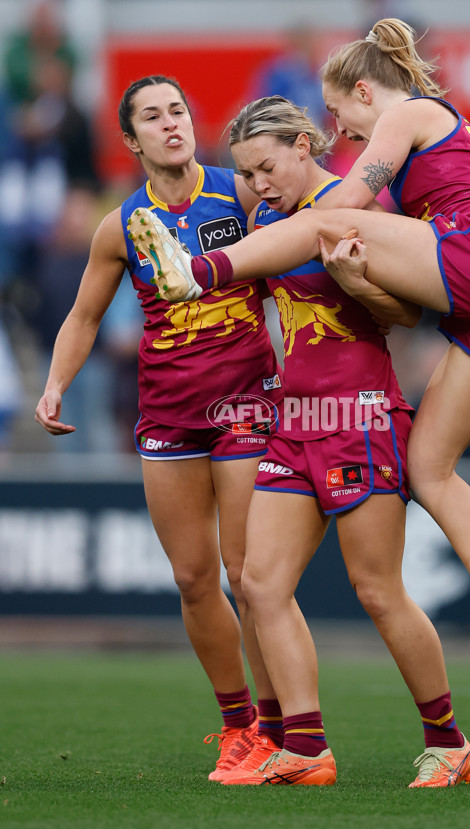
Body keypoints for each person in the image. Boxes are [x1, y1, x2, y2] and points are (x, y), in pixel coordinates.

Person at [128, 19, 470, 699]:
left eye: (340, 116)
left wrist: (304, 240)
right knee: (429, 469)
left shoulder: (406, 111)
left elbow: (344, 210)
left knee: (376, 589)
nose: (341, 131)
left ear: (360, 90)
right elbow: (398, 299)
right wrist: (350, 276)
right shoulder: (297, 201)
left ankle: (196, 270)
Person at [207, 94, 470, 788]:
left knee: (377, 589)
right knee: (259, 583)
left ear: (304, 144)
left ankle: (449, 741)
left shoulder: (361, 211)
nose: (259, 185)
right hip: (291, 421)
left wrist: (358, 279)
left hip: (361, 416)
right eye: (246, 174)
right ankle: (306, 747)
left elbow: (409, 312)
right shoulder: (269, 217)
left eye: (266, 167)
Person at [34, 75, 285, 780]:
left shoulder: (239, 193)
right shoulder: (119, 226)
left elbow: (292, 267)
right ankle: (237, 724)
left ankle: (274, 727)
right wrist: (55, 385)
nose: (172, 122)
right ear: (130, 138)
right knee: (193, 576)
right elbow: (84, 316)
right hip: (168, 412)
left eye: (178, 109)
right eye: (153, 115)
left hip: (245, 404)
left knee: (245, 572)